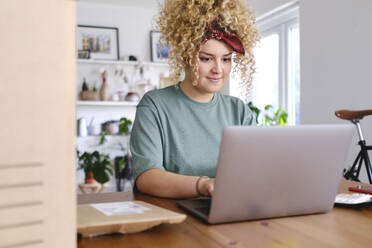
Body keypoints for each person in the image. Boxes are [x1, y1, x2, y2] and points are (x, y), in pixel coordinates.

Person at [130, 0, 260, 198]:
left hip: (229, 213)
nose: (218, 69)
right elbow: (146, 177)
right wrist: (203, 185)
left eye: (226, 59)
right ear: (185, 57)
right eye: (206, 58)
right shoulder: (154, 105)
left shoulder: (238, 110)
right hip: (174, 217)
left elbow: (256, 169)